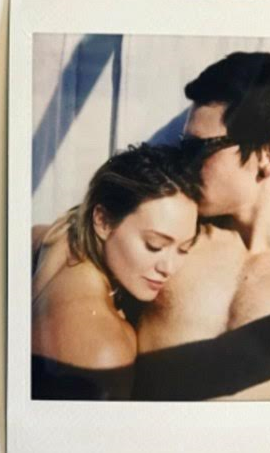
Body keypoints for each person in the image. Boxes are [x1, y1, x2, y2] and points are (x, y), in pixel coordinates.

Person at [135, 52, 270, 400]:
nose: (183, 164)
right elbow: (63, 237)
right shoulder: (167, 236)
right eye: (181, 149)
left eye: (199, 149)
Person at [31, 144, 201, 400]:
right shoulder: (107, 346)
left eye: (184, 248)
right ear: (102, 221)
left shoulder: (59, 234)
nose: (169, 268)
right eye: (154, 245)